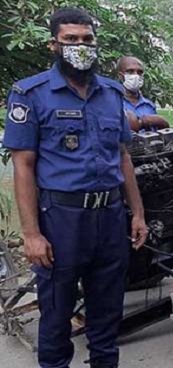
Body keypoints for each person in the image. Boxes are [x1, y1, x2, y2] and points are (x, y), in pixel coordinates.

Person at [2, 8, 147, 368]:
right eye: (70, 40)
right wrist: (32, 234)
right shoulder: (30, 94)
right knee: (56, 317)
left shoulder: (112, 94)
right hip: (62, 220)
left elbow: (123, 156)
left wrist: (138, 214)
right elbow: (23, 165)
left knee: (107, 316)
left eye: (87, 40)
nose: (80, 46)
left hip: (111, 218)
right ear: (54, 44)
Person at [118, 56, 169, 132]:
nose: (136, 75)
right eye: (130, 71)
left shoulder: (149, 105)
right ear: (120, 76)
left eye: (139, 72)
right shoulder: (113, 104)